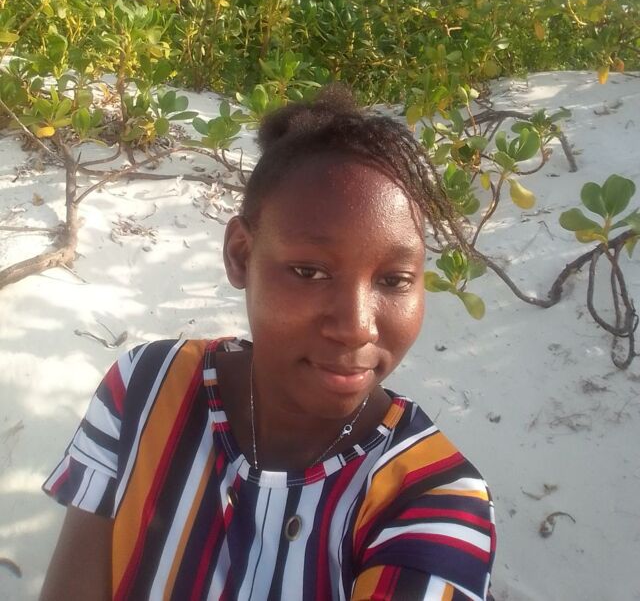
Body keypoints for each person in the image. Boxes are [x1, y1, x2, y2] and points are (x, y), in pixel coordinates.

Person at [41, 86, 496, 600]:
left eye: (394, 280)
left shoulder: (434, 500)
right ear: (240, 255)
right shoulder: (145, 388)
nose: (357, 327)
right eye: (310, 271)